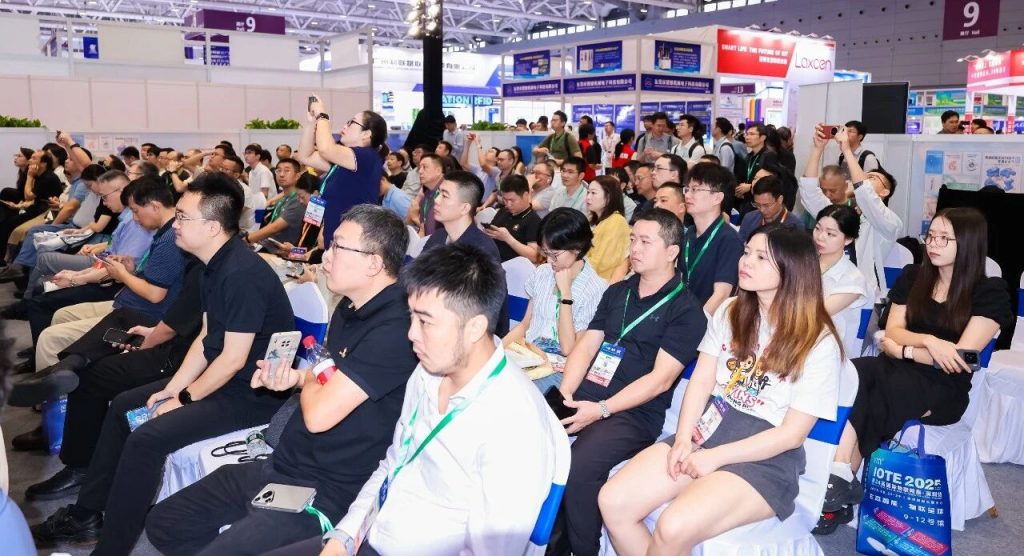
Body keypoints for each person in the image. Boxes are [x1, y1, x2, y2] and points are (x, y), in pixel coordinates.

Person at [29, 173, 295, 553]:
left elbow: (233, 360)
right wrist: (173, 389)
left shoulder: (241, 273)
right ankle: (87, 514)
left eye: (184, 217)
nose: (176, 225)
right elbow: (206, 339)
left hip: (251, 394)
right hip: (221, 379)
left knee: (147, 437)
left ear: (213, 227)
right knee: (125, 407)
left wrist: (183, 399)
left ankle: (110, 548)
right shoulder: (213, 266)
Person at [146, 205, 419, 555]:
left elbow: (319, 415)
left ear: (374, 263)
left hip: (326, 489)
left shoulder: (396, 327)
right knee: (165, 522)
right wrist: (297, 377)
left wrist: (308, 379)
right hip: (284, 465)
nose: (326, 256)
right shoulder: (350, 307)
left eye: (338, 247)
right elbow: (329, 376)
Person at [600, 224, 843, 555]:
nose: (746, 262)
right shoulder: (730, 311)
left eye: (761, 257)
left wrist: (715, 457)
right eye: (747, 252)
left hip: (765, 457)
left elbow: (791, 435)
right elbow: (701, 382)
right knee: (613, 502)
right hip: (709, 429)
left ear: (792, 269)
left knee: (673, 526)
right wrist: (683, 439)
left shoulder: (818, 341)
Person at [311, 243, 563, 555]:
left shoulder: (514, 423)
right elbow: (394, 463)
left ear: (475, 328)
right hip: (372, 535)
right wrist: (345, 537)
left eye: (425, 322)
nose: (411, 334)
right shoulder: (428, 372)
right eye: (412, 318)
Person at [819, 207, 1011, 532]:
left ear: (968, 243)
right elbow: (893, 330)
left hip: (944, 387)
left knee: (870, 384)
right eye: (930, 236)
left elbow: (963, 359)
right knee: (856, 373)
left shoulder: (988, 291)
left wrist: (905, 350)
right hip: (894, 370)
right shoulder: (913, 276)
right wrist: (930, 342)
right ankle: (839, 477)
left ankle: (840, 479)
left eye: (944, 238)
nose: (933, 244)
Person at [553, 208, 706, 556]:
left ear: (671, 251)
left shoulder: (686, 311)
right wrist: (565, 393)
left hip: (633, 413)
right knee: (535, 438)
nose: (634, 248)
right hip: (587, 393)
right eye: (633, 239)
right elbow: (586, 346)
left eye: (645, 242)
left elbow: (660, 380)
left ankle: (585, 551)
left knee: (580, 466)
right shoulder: (618, 292)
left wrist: (601, 409)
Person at [503, 208, 607, 392]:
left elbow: (569, 349)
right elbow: (525, 325)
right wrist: (496, 352)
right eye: (546, 253)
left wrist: (566, 295)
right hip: (529, 356)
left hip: (559, 370)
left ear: (577, 248)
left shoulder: (596, 288)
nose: (549, 261)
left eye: (555, 254)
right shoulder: (543, 273)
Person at [802, 124, 902, 294]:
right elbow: (809, 193)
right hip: (823, 287)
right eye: (865, 175)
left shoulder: (889, 222)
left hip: (862, 295)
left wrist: (847, 150)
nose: (864, 178)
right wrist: (817, 149)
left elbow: (865, 193)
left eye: (872, 178)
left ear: (885, 192)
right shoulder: (840, 213)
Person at [298, 96, 388, 244]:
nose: (345, 126)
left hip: (353, 243)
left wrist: (322, 115)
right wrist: (311, 124)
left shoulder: (367, 157)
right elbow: (305, 156)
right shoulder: (344, 161)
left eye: (351, 122)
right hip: (337, 241)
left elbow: (326, 149)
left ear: (366, 134)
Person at [681, 163, 744, 315]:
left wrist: (695, 324)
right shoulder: (689, 234)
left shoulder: (729, 240)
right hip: (682, 313)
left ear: (717, 197)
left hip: (708, 321)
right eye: (687, 189)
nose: (687, 195)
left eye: (695, 189)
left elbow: (721, 295)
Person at [814, 205, 869, 355]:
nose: (820, 237)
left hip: (829, 351)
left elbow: (816, 314)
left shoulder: (853, 279)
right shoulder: (804, 263)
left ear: (848, 239)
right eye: (817, 228)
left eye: (830, 234)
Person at [246, 172, 318, 247]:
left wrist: (248, 239)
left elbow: (274, 228)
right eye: (278, 170)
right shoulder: (284, 198)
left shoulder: (302, 206)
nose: (281, 175)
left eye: (287, 170)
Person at [483, 174, 541, 262]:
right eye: (505, 200)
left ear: (525, 195)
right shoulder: (503, 211)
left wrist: (508, 238)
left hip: (510, 266)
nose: (508, 204)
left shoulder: (534, 220)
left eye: (512, 200)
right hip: (490, 259)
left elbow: (534, 257)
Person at [585, 176, 631, 282]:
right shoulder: (598, 221)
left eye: (593, 193)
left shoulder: (616, 221)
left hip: (600, 282)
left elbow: (601, 263)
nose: (588, 197)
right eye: (588, 192)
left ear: (609, 196)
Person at [738, 175, 803, 241]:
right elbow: (740, 245)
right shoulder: (749, 218)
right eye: (757, 204)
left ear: (780, 200)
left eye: (766, 205)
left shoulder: (796, 226)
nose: (762, 210)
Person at [734, 123, 778, 215]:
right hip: (747, 201)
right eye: (747, 134)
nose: (747, 137)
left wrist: (750, 187)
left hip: (761, 204)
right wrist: (740, 190)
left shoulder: (769, 156)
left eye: (752, 134)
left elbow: (772, 181)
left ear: (762, 138)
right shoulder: (749, 156)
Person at [407, 153, 445, 236]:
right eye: (420, 167)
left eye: (425, 167)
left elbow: (431, 233)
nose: (420, 171)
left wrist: (415, 217)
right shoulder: (427, 192)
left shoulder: (445, 193)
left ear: (438, 171)